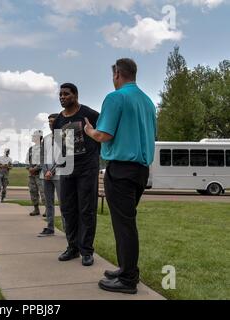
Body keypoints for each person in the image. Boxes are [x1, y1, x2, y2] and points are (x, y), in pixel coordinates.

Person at [84, 58, 156, 294]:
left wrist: (89, 130)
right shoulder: (147, 102)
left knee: (124, 225)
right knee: (126, 222)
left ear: (117, 74)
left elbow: (103, 134)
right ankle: (126, 268)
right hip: (141, 170)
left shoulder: (115, 97)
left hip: (122, 169)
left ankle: (127, 279)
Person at [53, 83, 100, 267]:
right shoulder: (58, 120)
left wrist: (94, 154)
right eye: (60, 94)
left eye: (66, 94)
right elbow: (59, 145)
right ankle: (72, 247)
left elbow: (101, 135)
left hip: (87, 169)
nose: (62, 97)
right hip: (67, 169)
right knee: (68, 210)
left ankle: (86, 251)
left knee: (86, 210)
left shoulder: (90, 114)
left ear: (76, 95)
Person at [38, 114, 63, 237]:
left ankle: (68, 230)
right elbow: (42, 157)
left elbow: (64, 157)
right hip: (45, 175)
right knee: (48, 202)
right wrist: (45, 170)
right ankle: (50, 227)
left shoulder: (64, 137)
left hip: (59, 174)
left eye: (53, 121)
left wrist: (52, 170)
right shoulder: (46, 138)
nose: (51, 123)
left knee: (63, 203)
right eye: (49, 121)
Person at [25, 130, 46, 216]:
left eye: (34, 136)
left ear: (38, 137)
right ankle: (36, 209)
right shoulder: (31, 149)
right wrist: (29, 168)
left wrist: (36, 168)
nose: (32, 137)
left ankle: (47, 210)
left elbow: (44, 160)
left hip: (40, 173)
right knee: (33, 191)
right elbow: (26, 160)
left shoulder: (44, 148)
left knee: (43, 192)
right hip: (31, 173)